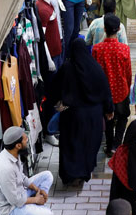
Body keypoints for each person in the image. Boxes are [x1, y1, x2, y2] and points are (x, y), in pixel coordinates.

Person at [47, 38, 115, 186]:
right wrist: (109, 110)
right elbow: (105, 91)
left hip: (72, 116)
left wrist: (55, 102)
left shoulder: (67, 68)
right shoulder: (95, 68)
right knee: (88, 145)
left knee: (71, 145)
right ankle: (83, 173)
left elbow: (54, 88)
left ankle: (70, 174)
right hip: (93, 117)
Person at [0, 127, 54, 215]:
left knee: (48, 176)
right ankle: (36, 206)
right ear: (18, 145)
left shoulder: (13, 153)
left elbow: (22, 177)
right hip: (12, 209)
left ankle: (36, 205)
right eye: (25, 139)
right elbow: (15, 201)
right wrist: (36, 200)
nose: (27, 140)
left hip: (20, 193)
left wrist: (37, 189)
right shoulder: (5, 168)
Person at [92, 14, 132, 157]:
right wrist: (128, 87)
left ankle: (109, 146)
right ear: (119, 29)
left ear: (104, 29)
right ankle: (117, 144)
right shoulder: (124, 49)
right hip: (121, 90)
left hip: (104, 92)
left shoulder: (97, 49)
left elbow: (95, 73)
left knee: (108, 119)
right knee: (122, 117)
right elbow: (128, 73)